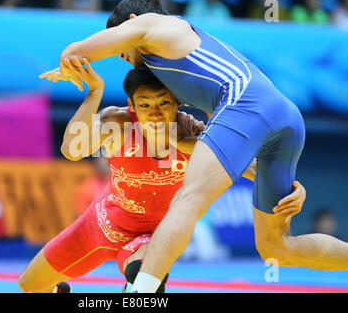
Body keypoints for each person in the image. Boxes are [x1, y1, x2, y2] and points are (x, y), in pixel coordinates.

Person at [41, 0, 348, 292]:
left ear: (131, 22)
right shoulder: (180, 67)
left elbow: (74, 51)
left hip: (247, 103)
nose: (122, 56)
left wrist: (72, 65)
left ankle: (140, 294)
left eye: (121, 44)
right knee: (277, 248)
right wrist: (291, 185)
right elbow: (235, 139)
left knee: (189, 198)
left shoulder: (153, 25)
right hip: (284, 117)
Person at [19, 59, 305, 293]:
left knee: (144, 280)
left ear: (178, 102)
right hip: (99, 227)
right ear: (132, 106)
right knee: (30, 285)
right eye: (144, 105)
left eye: (163, 104)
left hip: (150, 239)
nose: (154, 114)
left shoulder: (196, 135)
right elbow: (71, 149)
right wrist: (94, 93)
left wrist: (293, 189)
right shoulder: (117, 123)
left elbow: (256, 168)